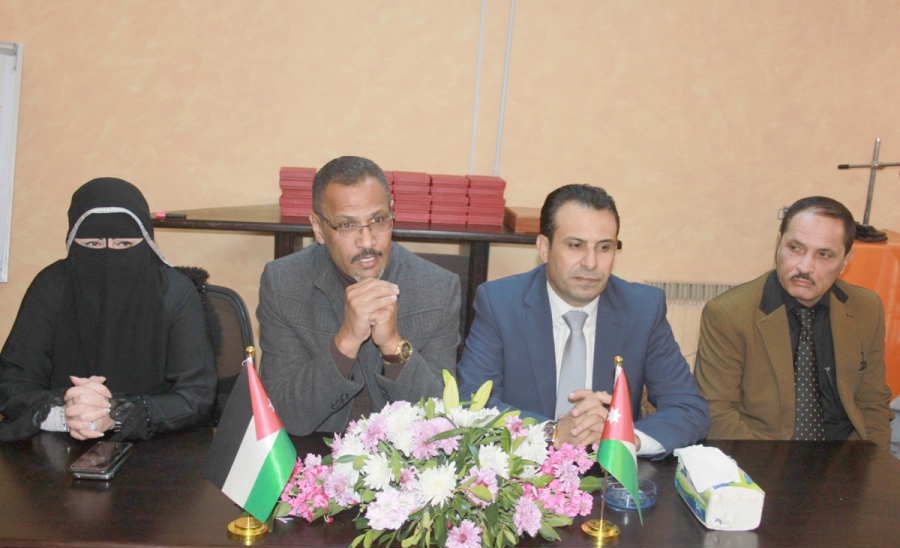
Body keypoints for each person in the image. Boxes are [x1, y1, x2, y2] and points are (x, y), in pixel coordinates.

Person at [457, 183, 710, 456]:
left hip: (609, 470)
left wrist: (623, 437)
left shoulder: (642, 309)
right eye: (575, 245)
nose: (591, 263)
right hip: (524, 468)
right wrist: (552, 433)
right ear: (544, 248)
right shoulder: (500, 304)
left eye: (604, 247)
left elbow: (688, 408)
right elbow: (471, 402)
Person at [0, 177, 217, 442]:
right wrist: (66, 413)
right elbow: (13, 381)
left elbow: (196, 396)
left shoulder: (174, 292)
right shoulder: (52, 285)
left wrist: (116, 414)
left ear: (146, 241)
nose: (107, 256)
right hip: (58, 440)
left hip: (156, 443)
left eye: (124, 244)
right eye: (92, 244)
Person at [257, 156, 461, 436]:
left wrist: (393, 346)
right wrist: (346, 342)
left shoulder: (437, 289)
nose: (367, 242)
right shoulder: (284, 284)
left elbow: (441, 422)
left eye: (378, 220)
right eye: (347, 225)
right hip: (313, 449)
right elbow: (283, 416)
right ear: (318, 228)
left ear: (392, 213)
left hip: (402, 454)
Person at [694, 196, 893, 446]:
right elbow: (717, 413)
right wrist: (778, 466)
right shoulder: (728, 314)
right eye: (795, 248)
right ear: (778, 244)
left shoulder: (866, 308)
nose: (805, 267)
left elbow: (873, 406)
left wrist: (867, 460)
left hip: (845, 455)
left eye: (824, 255)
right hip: (761, 454)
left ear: (845, 261)